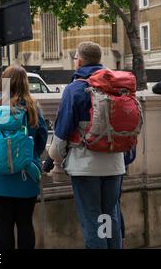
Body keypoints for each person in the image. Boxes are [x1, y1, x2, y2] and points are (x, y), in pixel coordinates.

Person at [49, 41, 125, 249]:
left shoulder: (75, 89)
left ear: (79, 61)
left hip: (86, 165)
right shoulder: (117, 86)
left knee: (92, 218)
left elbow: (62, 130)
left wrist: (56, 155)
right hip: (115, 162)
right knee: (109, 217)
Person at [0, 65, 48, 249]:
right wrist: (28, 156)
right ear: (25, 83)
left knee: (4, 224)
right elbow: (42, 139)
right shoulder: (33, 107)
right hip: (27, 173)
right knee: (25, 223)